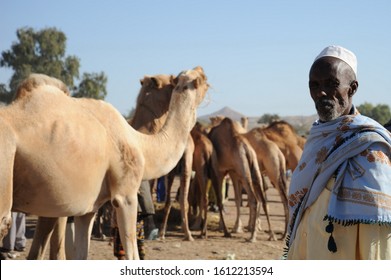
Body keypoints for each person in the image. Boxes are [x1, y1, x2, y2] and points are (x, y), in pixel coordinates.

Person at [285, 45, 391, 259]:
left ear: (352, 88)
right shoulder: (317, 140)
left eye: (331, 84)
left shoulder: (370, 145)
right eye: (314, 85)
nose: (321, 92)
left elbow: (376, 239)